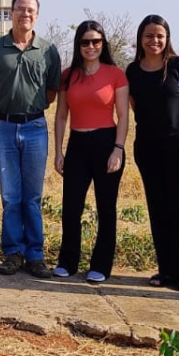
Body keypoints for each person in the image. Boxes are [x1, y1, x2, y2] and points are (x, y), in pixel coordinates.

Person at [0, 0, 61, 279]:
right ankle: (13, 253)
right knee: (11, 196)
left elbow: (51, 92)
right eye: (20, 9)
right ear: (11, 13)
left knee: (32, 197)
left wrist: (29, 109)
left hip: (35, 129)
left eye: (31, 9)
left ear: (38, 14)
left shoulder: (48, 51)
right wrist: (2, 109)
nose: (26, 13)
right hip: (2, 129)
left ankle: (35, 255)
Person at [52, 21, 128, 283]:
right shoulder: (68, 75)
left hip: (107, 143)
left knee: (106, 207)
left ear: (103, 44)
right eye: (85, 42)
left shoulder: (116, 73)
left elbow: (124, 116)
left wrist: (118, 149)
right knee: (71, 207)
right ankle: (68, 261)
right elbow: (61, 115)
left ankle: (101, 265)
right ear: (78, 45)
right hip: (77, 144)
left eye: (96, 41)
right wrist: (58, 151)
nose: (91, 46)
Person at [127, 15, 179, 292]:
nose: (154, 41)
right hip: (147, 146)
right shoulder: (132, 70)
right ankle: (165, 270)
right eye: (148, 36)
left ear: (167, 38)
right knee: (158, 209)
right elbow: (133, 105)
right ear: (140, 39)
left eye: (159, 36)